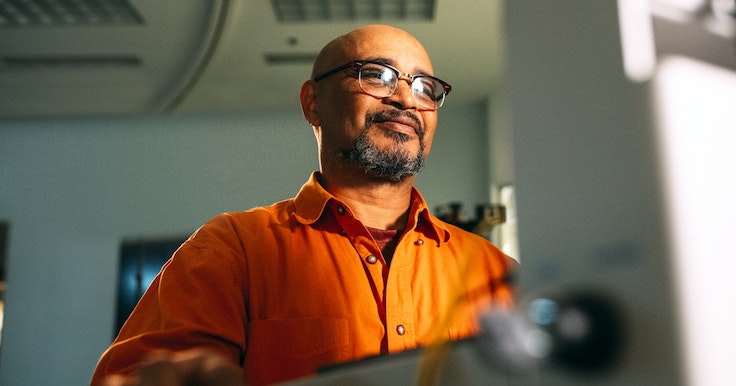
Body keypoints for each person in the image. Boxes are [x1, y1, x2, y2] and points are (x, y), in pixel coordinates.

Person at [91, 24, 515, 386]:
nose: (406, 100)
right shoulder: (231, 251)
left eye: (425, 87)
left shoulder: (493, 271)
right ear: (313, 103)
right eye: (378, 75)